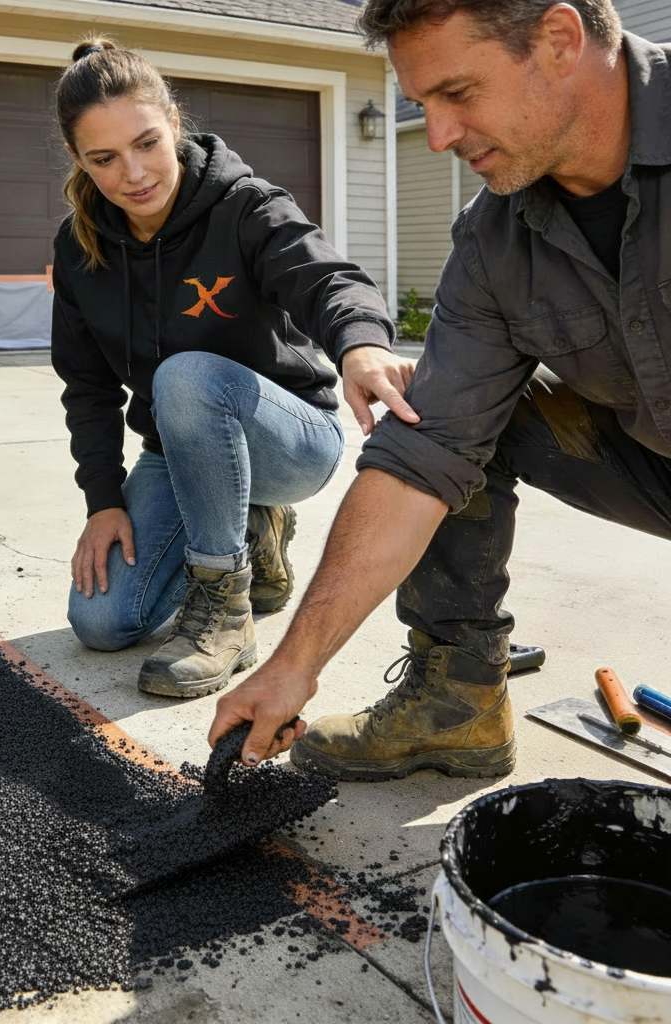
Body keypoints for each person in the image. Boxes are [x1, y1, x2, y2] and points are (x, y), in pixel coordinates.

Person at [208, 0, 671, 778]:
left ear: (559, 39)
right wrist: (295, 664)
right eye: (424, 107)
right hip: (650, 467)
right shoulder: (495, 240)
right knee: (436, 409)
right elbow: (424, 456)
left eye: (459, 93)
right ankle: (459, 703)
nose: (442, 134)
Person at [50, 38, 416, 698]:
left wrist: (361, 342)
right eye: (104, 158)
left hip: (291, 438)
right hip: (181, 448)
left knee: (185, 376)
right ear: (78, 159)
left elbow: (328, 278)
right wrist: (103, 501)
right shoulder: (80, 248)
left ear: (174, 123)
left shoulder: (243, 205)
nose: (133, 173)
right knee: (103, 621)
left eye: (147, 143)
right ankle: (254, 530)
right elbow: (88, 384)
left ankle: (227, 609)